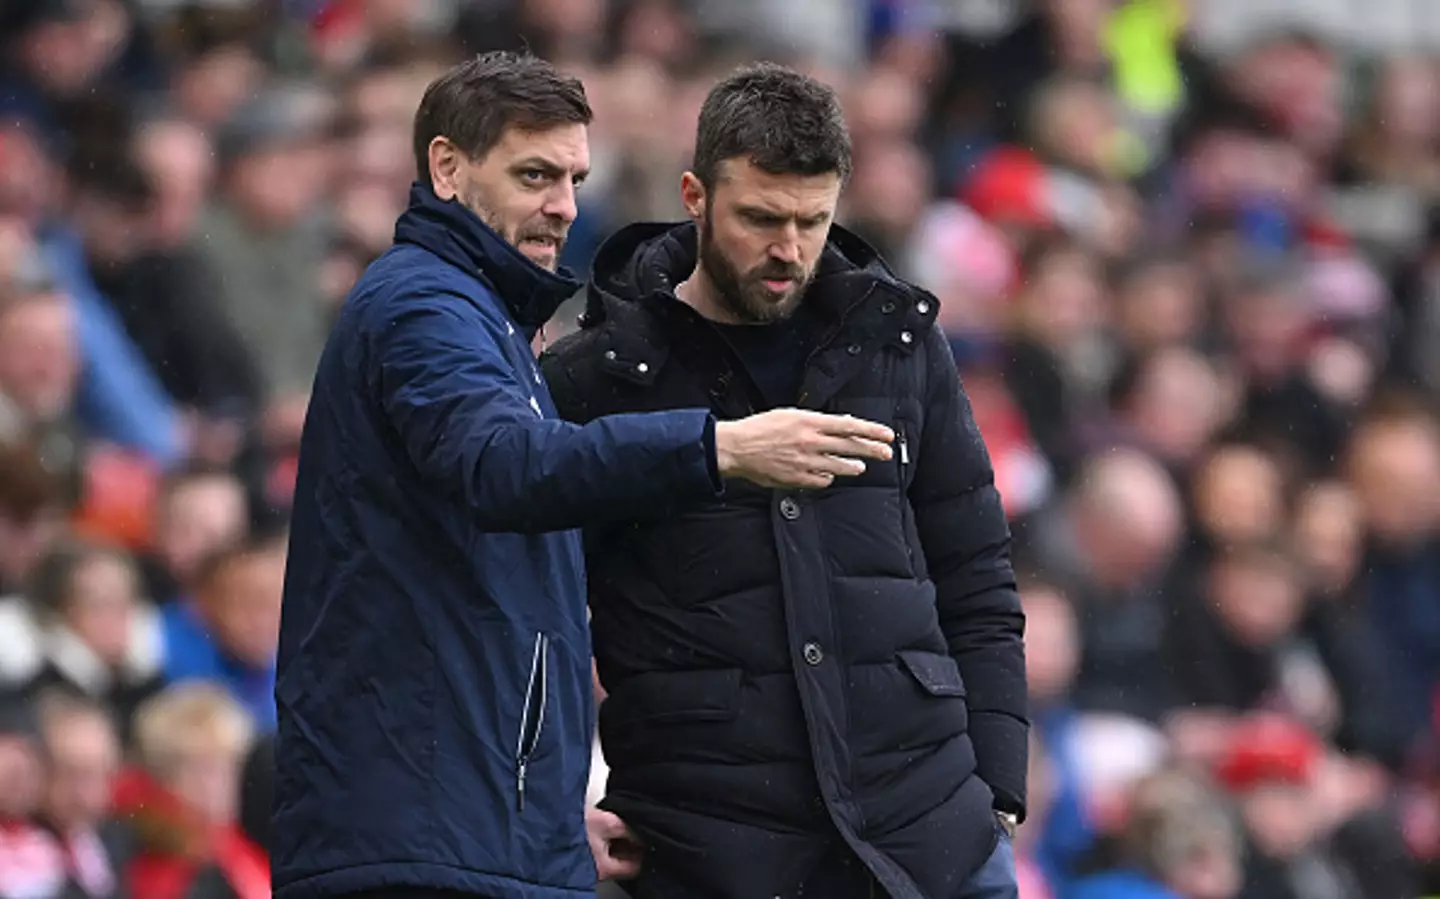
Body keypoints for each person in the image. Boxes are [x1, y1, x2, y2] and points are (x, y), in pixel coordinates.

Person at [271, 51, 897, 899]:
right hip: (419, 848)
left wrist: (547, 815)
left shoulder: (485, 318)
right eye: (534, 174)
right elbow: (502, 466)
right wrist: (718, 447)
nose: (563, 206)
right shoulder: (424, 304)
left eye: (573, 177)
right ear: (446, 167)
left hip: (467, 831)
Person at [541, 63, 1029, 899]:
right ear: (694, 195)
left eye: (813, 219)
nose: (789, 250)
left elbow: (976, 572)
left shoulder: (900, 345)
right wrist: (552, 810)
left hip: (934, 839)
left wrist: (1000, 789)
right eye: (760, 218)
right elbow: (533, 626)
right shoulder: (597, 379)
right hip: (710, 851)